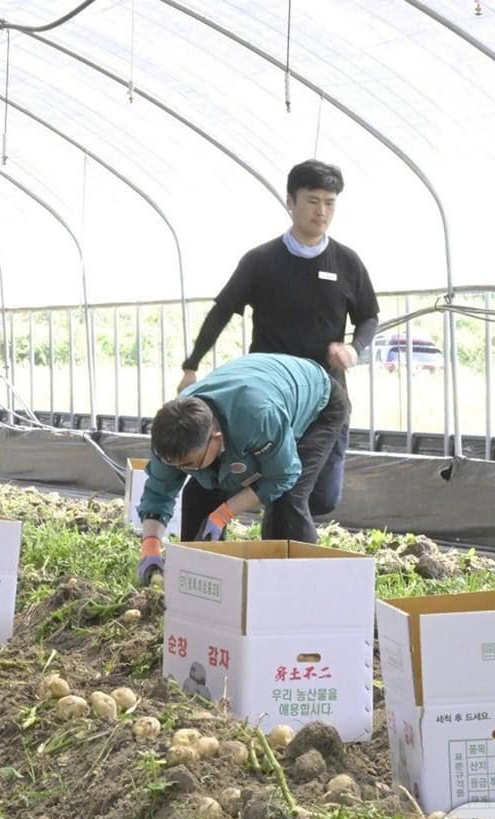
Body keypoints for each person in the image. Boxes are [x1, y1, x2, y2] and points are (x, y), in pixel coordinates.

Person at [174, 160, 377, 525]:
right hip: (266, 402)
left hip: (325, 398)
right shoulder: (262, 261)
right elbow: (222, 311)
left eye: (330, 202)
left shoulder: (347, 263)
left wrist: (354, 348)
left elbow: (369, 317)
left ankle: (268, 525)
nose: (322, 211)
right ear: (290, 201)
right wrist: (192, 365)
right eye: (313, 201)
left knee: (322, 496)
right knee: (287, 495)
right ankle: (249, 557)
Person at [135, 353, 350, 586]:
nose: (179, 470)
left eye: (188, 464)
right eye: (174, 464)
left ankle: (294, 584)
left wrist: (222, 515)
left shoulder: (258, 417)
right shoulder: (171, 432)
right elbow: (159, 491)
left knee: (288, 500)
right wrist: (150, 546)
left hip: (318, 402)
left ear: (216, 438)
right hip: (260, 389)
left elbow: (281, 476)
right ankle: (203, 583)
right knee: (199, 492)